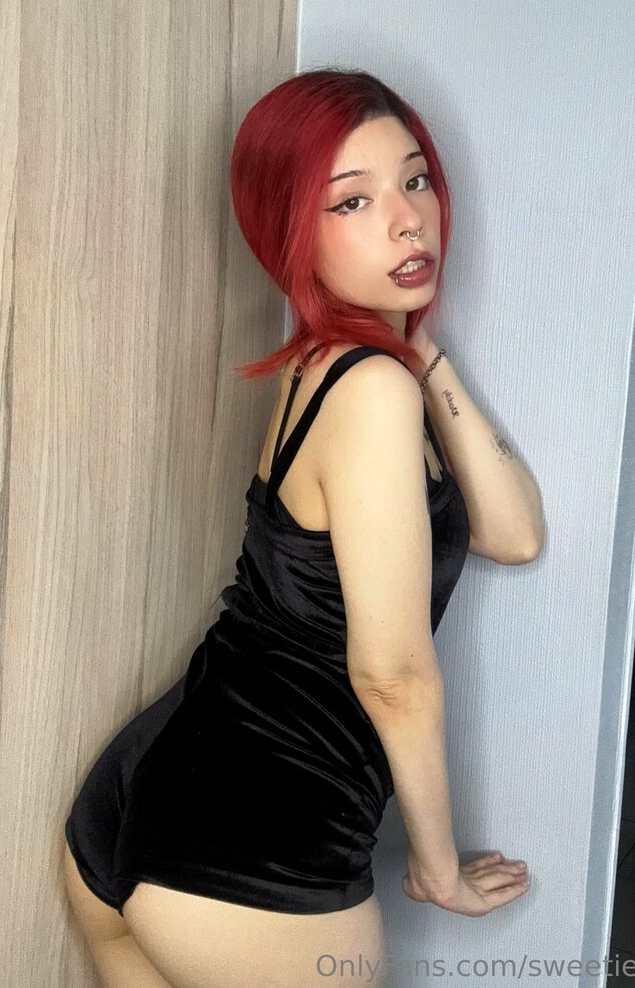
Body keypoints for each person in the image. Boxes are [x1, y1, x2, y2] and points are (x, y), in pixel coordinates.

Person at [62, 68, 543, 988]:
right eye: (352, 200)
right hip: (255, 855)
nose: (408, 220)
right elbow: (392, 673)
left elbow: (512, 533)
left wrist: (420, 344)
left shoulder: (328, 367)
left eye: (414, 180)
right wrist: (438, 868)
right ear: (292, 231)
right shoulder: (369, 390)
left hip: (138, 796)